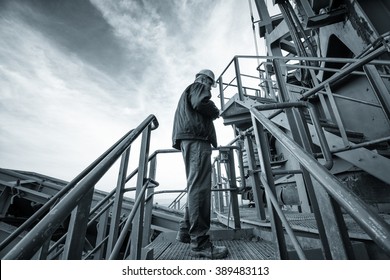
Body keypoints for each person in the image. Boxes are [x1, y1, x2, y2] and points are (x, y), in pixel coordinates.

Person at [172, 69, 228, 259]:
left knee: (194, 187)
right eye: (211, 85)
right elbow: (201, 103)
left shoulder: (188, 91)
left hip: (190, 140)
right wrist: (215, 111)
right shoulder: (198, 87)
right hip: (197, 140)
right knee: (200, 189)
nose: (210, 88)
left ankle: (185, 231)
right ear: (206, 80)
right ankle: (200, 244)